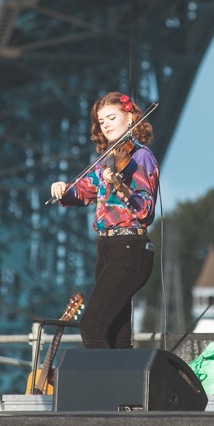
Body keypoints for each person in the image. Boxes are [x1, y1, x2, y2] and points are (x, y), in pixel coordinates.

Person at [50, 92, 159, 349]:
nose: (106, 125)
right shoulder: (106, 161)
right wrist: (63, 189)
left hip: (129, 248)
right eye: (101, 121)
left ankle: (103, 389)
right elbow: (84, 191)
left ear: (129, 118)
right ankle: (126, 388)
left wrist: (120, 187)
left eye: (112, 117)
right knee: (116, 337)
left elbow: (146, 210)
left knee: (92, 326)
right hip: (106, 250)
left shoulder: (141, 157)